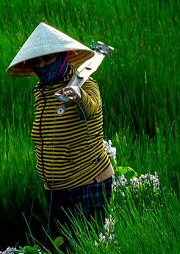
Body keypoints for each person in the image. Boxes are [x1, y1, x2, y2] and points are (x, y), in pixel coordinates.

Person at [7, 22, 113, 232]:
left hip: (88, 183)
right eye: (37, 61)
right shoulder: (41, 92)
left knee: (89, 243)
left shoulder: (85, 84)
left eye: (49, 58)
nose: (42, 64)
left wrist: (79, 97)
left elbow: (91, 110)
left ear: (65, 56)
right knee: (61, 245)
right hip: (55, 188)